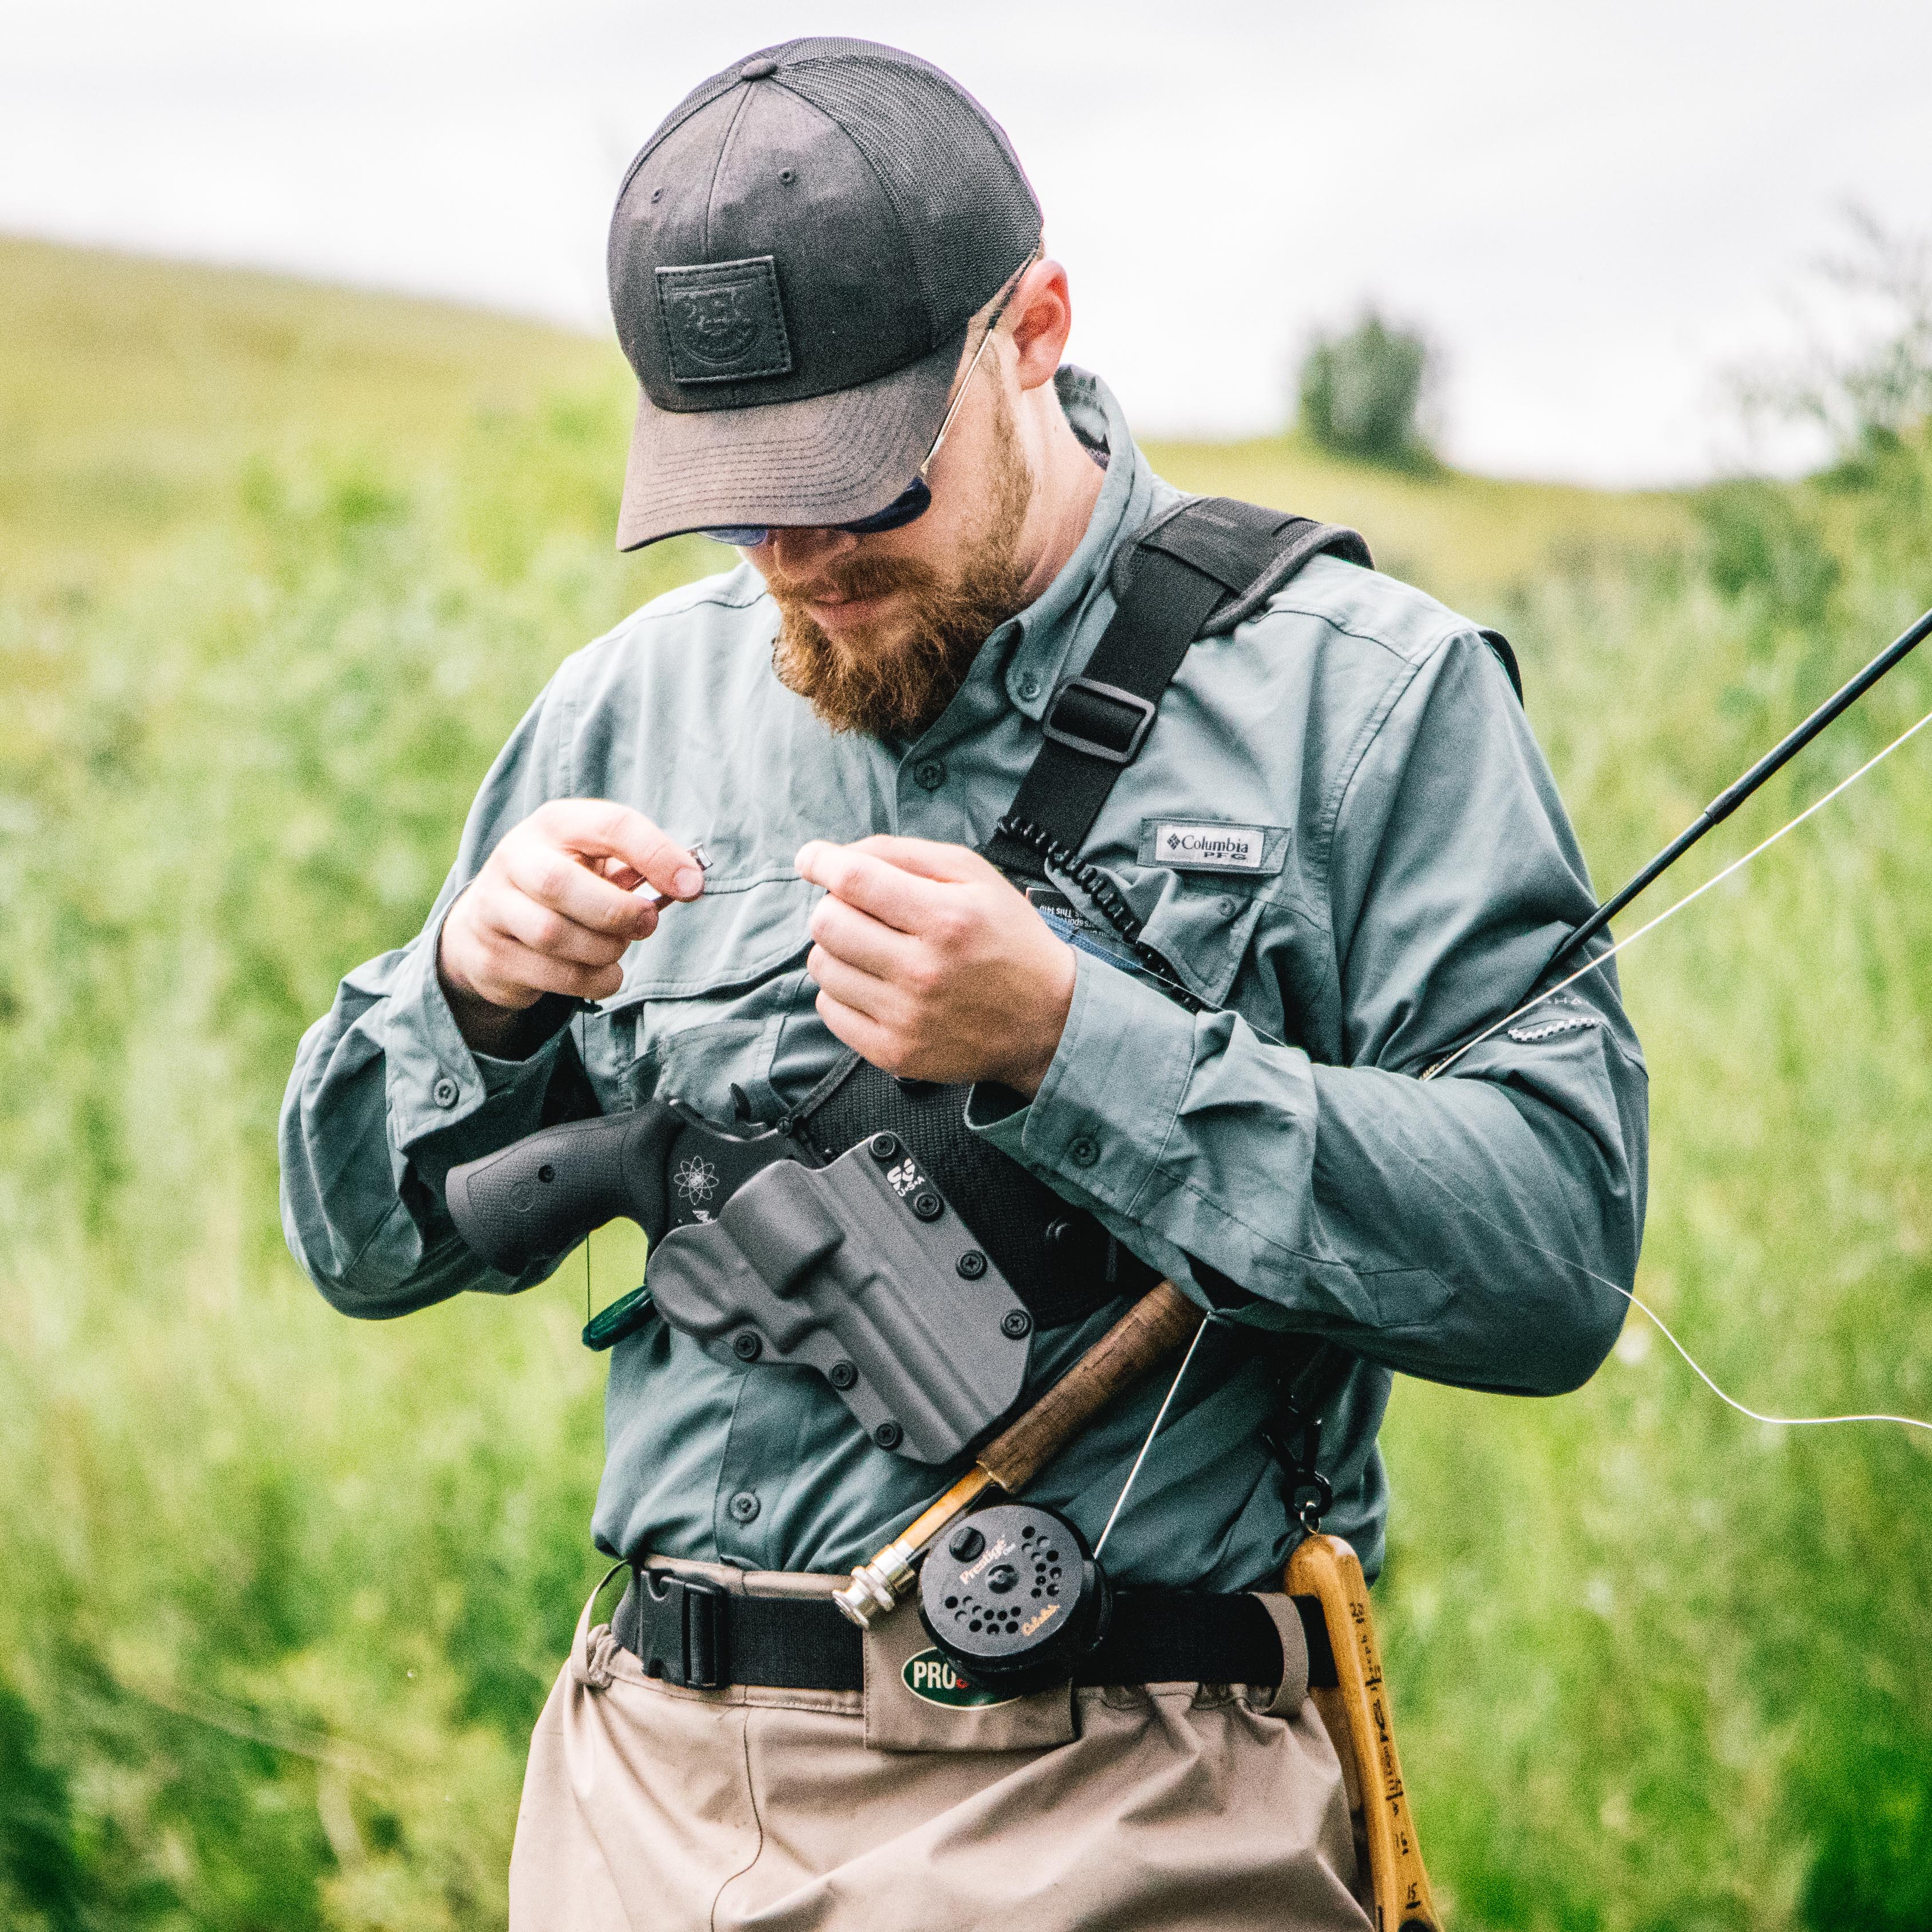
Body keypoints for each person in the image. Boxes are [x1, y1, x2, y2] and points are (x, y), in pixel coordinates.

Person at [280, 35, 1647, 1930]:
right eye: (742, 500)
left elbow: (1554, 1259)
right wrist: (469, 996)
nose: (799, 556)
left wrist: (1078, 1048)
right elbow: (359, 1245)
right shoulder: (628, 704)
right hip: (639, 1807)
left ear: (1033, 330)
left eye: (859, 484)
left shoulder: (1368, 699)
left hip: (1127, 1798)